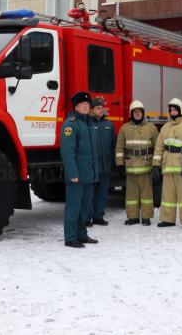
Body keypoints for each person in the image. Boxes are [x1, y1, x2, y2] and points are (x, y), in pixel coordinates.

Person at [60, 91, 100, 248]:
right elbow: (67, 152)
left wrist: (95, 173)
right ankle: (70, 237)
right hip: (77, 175)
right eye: (82, 104)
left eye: (87, 104)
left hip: (88, 174)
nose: (85, 106)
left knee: (84, 208)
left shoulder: (89, 123)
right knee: (73, 207)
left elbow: (93, 152)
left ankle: (82, 235)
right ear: (75, 106)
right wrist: (72, 174)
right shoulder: (70, 124)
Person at [152, 98, 182, 229]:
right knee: (167, 195)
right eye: (171, 110)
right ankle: (168, 219)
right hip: (167, 166)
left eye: (175, 109)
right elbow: (159, 147)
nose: (172, 112)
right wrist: (156, 164)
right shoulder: (165, 127)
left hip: (181, 166)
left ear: (181, 110)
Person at [115, 100, 159, 226]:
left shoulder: (151, 128)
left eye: (139, 111)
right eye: (135, 111)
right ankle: (133, 217)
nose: (137, 113)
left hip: (146, 166)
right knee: (131, 195)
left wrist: (156, 165)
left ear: (143, 113)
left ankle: (146, 217)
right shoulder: (124, 128)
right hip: (130, 166)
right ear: (131, 113)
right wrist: (119, 165)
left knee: (146, 193)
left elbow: (158, 147)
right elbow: (119, 148)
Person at [85, 96, 117, 227]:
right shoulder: (87, 124)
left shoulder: (109, 124)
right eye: (98, 108)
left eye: (102, 108)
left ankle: (98, 217)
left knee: (102, 192)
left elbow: (114, 144)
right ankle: (87, 218)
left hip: (105, 165)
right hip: (92, 166)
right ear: (91, 110)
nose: (101, 110)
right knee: (89, 193)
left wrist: (114, 162)